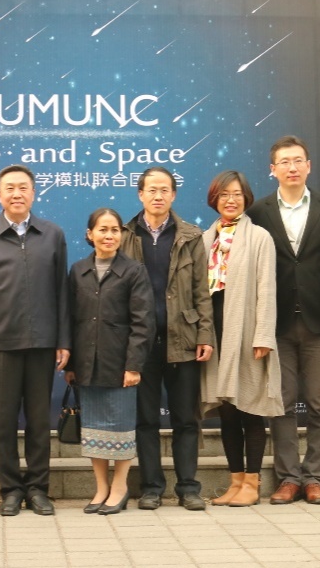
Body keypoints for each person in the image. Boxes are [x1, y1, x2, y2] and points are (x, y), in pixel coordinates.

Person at [246, 135, 320, 505]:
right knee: (282, 403)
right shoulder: (258, 212)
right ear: (272, 169)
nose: (292, 167)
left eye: (298, 160)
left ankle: (314, 477)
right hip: (277, 323)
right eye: (284, 162)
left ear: (308, 166)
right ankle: (288, 478)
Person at [0, 165, 70, 517]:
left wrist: (63, 341)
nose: (16, 194)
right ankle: (10, 489)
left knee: (39, 422)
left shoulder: (52, 234)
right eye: (9, 188)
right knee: (5, 423)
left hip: (43, 345)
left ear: (33, 193)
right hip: (1, 346)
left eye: (23, 187)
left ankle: (38, 488)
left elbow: (62, 292)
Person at [119, 167, 214, 511]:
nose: (158, 196)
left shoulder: (190, 236)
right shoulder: (125, 235)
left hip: (183, 339)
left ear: (173, 195)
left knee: (185, 419)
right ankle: (151, 488)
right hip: (140, 343)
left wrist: (205, 333)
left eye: (164, 190)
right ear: (140, 194)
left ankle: (188, 487)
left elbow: (202, 290)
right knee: (145, 420)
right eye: (151, 190)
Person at [199, 171, 281, 508]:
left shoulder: (260, 237)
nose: (230, 200)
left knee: (250, 407)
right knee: (228, 411)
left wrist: (263, 335)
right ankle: (235, 481)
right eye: (223, 195)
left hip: (246, 331)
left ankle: (252, 482)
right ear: (214, 199)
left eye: (236, 194)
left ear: (246, 197)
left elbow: (267, 288)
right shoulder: (205, 238)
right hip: (216, 329)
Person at [66, 208, 154, 515]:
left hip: (120, 365)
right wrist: (71, 365)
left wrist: (134, 365)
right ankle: (101, 487)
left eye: (114, 230)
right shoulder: (78, 270)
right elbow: (70, 319)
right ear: (90, 234)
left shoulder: (134, 271)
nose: (109, 235)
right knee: (94, 429)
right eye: (102, 230)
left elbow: (143, 322)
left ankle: (120, 487)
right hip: (86, 364)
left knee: (120, 428)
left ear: (121, 235)